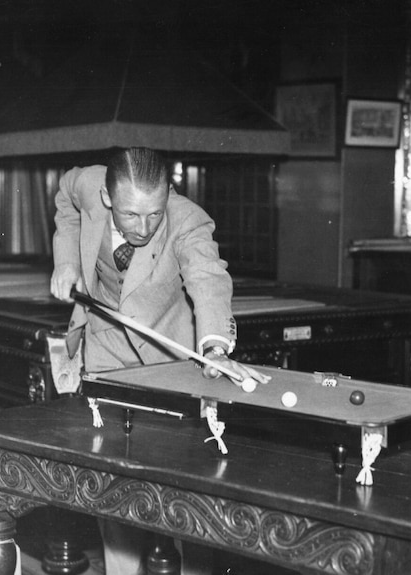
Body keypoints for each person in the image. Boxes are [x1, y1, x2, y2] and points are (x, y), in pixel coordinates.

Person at [49, 146, 269, 575]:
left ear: (169, 192)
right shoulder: (88, 184)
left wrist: (215, 348)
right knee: (109, 478)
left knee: (185, 489)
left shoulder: (188, 219)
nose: (144, 227)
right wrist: (66, 261)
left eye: (154, 214)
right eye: (131, 215)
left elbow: (208, 279)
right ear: (109, 198)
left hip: (169, 353)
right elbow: (65, 198)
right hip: (106, 343)